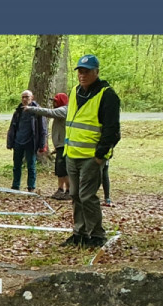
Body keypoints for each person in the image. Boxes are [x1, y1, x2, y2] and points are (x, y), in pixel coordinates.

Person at [61, 55, 120, 248]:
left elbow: (112, 131)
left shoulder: (107, 95)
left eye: (87, 71)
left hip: (91, 157)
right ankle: (80, 233)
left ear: (96, 72)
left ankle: (96, 235)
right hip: (72, 154)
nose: (82, 75)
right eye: (80, 71)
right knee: (76, 195)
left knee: (87, 196)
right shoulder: (75, 91)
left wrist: (99, 156)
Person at [27, 92, 70, 200]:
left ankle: (69, 191)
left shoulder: (64, 110)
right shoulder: (61, 111)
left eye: (55, 101)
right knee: (60, 170)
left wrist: (32, 109)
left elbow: (48, 112)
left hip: (65, 146)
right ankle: (60, 189)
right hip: (60, 146)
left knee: (64, 169)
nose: (54, 103)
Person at [7, 90, 46, 193]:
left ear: (31, 98)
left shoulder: (37, 111)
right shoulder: (18, 111)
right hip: (18, 142)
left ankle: (31, 187)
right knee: (16, 166)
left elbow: (43, 129)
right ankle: (15, 186)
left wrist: (42, 145)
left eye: (27, 97)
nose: (24, 99)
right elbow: (12, 127)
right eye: (23, 97)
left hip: (31, 142)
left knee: (31, 166)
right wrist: (10, 142)